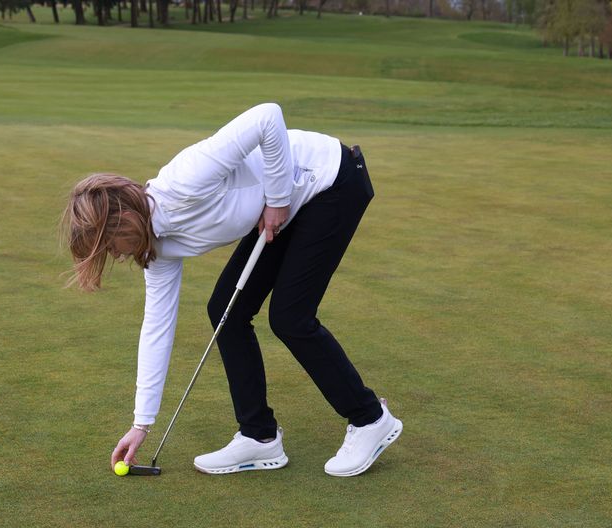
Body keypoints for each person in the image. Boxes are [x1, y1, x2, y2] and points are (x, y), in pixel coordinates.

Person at [61, 103, 402, 477]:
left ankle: (371, 420)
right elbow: (157, 327)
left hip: (330, 181)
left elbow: (267, 117)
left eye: (108, 244)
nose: (114, 254)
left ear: (123, 219)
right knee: (226, 308)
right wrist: (141, 423)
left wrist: (276, 198)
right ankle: (259, 437)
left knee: (290, 317)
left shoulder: (184, 180)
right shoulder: (156, 250)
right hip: (288, 206)